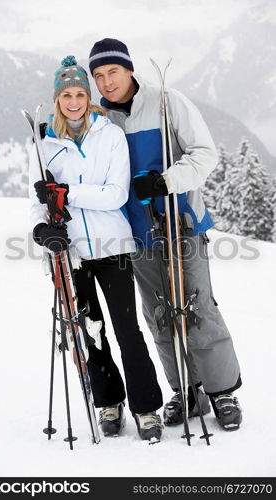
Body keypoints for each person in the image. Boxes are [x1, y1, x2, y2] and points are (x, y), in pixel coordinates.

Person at [88, 38, 243, 431]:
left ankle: (222, 390)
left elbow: (205, 152)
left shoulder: (166, 101)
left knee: (199, 307)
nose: (107, 82)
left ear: (129, 70)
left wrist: (167, 181)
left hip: (180, 221)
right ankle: (185, 391)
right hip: (135, 234)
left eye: (113, 72)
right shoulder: (100, 120)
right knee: (159, 315)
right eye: (99, 76)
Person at [29, 55, 163, 441]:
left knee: (126, 330)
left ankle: (146, 407)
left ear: (89, 97)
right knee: (90, 332)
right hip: (70, 250)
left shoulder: (110, 134)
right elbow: (37, 197)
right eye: (66, 95)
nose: (73, 101)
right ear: (57, 99)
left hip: (112, 245)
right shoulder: (45, 142)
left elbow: (115, 194)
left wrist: (68, 194)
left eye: (80, 94)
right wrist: (41, 227)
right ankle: (109, 400)